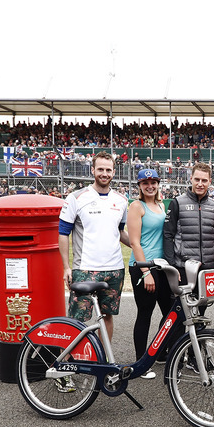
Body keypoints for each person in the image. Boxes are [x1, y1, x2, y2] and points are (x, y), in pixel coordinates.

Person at [59, 152, 129, 392]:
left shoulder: (121, 200)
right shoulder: (77, 197)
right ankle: (64, 367)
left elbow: (119, 233)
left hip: (114, 269)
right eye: (101, 169)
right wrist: (67, 267)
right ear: (93, 170)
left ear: (113, 172)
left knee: (107, 317)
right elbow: (63, 233)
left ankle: (101, 360)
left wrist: (143, 248)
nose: (105, 174)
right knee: (77, 321)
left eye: (109, 170)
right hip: (85, 269)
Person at [163, 161, 214, 326]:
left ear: (210, 181)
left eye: (204, 180)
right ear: (190, 179)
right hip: (183, 268)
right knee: (181, 314)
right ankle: (176, 351)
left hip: (207, 268)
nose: (200, 184)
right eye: (197, 179)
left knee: (201, 315)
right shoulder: (177, 202)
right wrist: (172, 268)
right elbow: (168, 235)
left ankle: (194, 352)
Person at [127, 168, 171, 379]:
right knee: (145, 313)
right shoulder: (137, 206)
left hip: (161, 266)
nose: (150, 186)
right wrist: (146, 272)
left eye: (153, 182)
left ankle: (159, 351)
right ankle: (139, 363)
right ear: (140, 186)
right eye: (145, 183)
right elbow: (134, 241)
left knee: (171, 312)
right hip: (143, 267)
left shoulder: (161, 205)